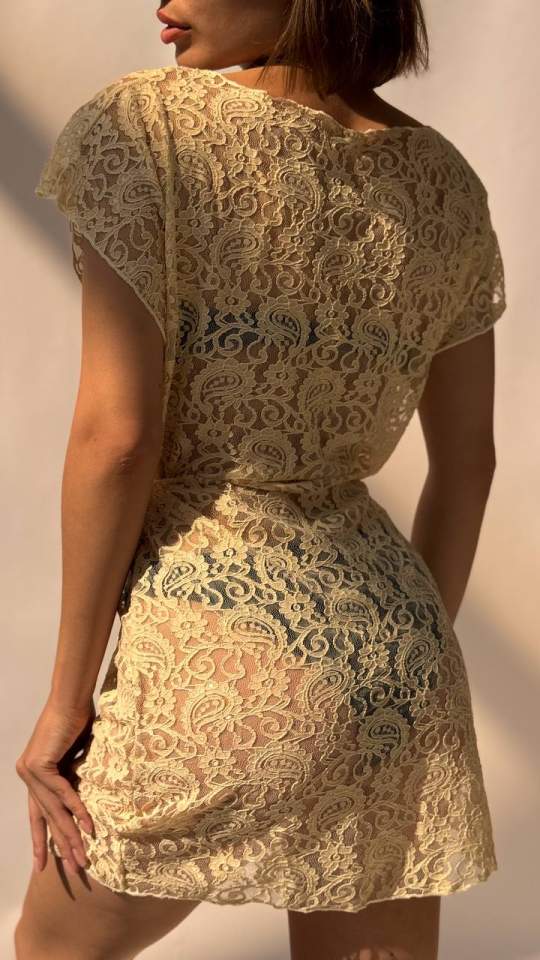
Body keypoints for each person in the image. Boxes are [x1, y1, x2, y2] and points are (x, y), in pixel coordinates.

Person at [14, 0, 507, 957]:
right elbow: (470, 463)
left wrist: (66, 704)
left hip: (214, 647)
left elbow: (119, 439)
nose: (165, 1)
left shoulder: (144, 126)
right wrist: (389, 685)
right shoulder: (446, 183)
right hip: (399, 653)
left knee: (54, 950)